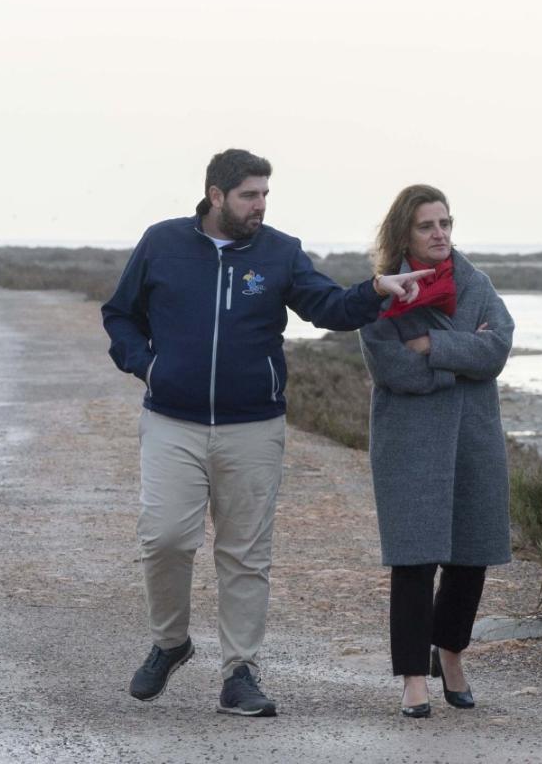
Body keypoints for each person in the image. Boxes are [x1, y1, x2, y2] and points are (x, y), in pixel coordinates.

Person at [101, 149, 431, 717]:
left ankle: (240, 673)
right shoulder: (162, 243)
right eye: (249, 195)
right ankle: (170, 642)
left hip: (253, 427)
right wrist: (147, 365)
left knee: (246, 555)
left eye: (265, 196)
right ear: (216, 195)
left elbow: (326, 306)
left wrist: (377, 290)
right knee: (165, 539)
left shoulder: (280, 252)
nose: (260, 206)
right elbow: (120, 314)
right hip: (171, 420)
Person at [359, 184, 515, 717]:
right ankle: (412, 678)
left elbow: (496, 349)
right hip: (411, 441)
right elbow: (390, 367)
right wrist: (460, 357)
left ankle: (449, 653)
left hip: (473, 436)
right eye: (428, 226)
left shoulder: (476, 283)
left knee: (471, 555)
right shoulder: (385, 294)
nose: (440, 233)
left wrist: (431, 346)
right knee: (415, 557)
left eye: (445, 223)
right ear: (405, 232)